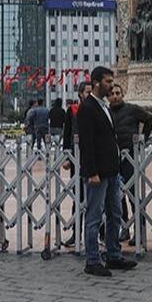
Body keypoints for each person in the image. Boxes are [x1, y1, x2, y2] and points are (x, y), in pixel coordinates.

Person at [75, 66, 137, 277]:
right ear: (96, 83)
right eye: (108, 81)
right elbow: (87, 143)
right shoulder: (88, 108)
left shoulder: (104, 106)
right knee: (94, 216)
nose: (112, 85)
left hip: (112, 172)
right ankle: (92, 260)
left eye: (112, 81)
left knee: (115, 214)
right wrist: (91, 171)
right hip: (98, 173)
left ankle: (113, 254)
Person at [108, 83, 152, 245]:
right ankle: (124, 227)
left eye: (118, 93)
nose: (115, 96)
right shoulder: (106, 112)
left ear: (123, 94)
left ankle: (139, 230)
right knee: (117, 195)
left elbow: (150, 120)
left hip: (130, 156)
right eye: (112, 93)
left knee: (133, 195)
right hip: (113, 157)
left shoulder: (132, 109)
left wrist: (142, 139)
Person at [60, 81, 94, 248]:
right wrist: (66, 156)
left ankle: (97, 234)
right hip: (76, 158)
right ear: (81, 94)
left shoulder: (98, 109)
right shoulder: (72, 110)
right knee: (77, 197)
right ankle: (76, 233)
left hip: (94, 158)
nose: (89, 94)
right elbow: (66, 135)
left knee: (96, 198)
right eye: (87, 92)